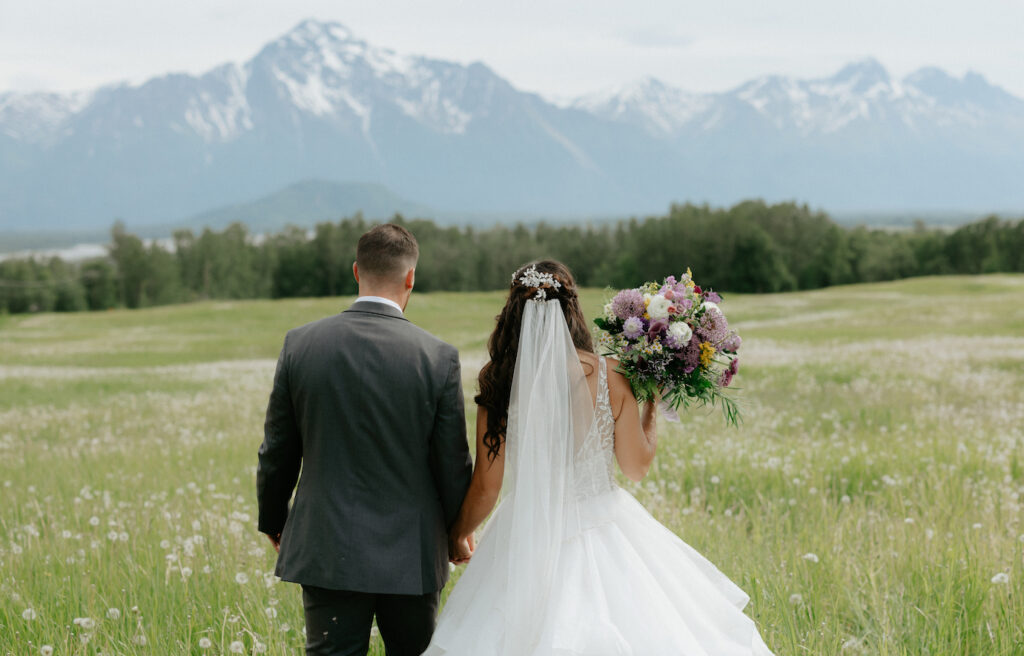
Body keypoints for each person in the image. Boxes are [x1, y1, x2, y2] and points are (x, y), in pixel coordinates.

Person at [424, 260, 774, 655]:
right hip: (605, 524)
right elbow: (635, 468)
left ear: (512, 312)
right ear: (572, 309)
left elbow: (488, 487)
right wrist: (651, 407)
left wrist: (457, 534)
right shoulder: (611, 375)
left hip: (525, 532)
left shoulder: (498, 379)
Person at [257, 223, 473, 656]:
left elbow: (278, 448)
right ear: (410, 277)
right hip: (412, 550)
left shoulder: (300, 344)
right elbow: (452, 462)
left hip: (326, 542)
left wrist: (274, 519)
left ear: (356, 271)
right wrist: (456, 532)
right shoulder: (437, 356)